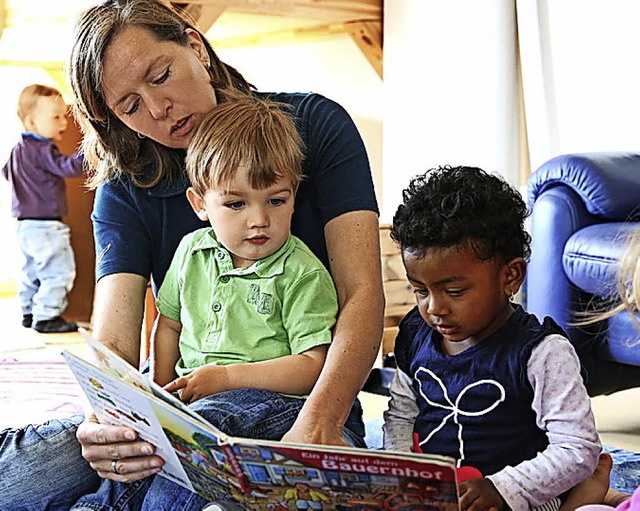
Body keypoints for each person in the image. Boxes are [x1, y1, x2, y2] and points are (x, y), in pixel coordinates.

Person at [0, 1, 384, 510]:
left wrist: (322, 420)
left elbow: (362, 292)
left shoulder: (315, 125)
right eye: (130, 107)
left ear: (195, 47)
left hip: (304, 400)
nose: (158, 108)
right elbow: (114, 343)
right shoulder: (125, 184)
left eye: (161, 76)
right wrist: (106, 421)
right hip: (179, 402)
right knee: (23, 474)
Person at [73, 94, 341, 509]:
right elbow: (170, 325)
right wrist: (159, 389)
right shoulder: (190, 253)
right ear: (200, 203)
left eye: (276, 200)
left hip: (273, 401)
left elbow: (311, 368)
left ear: (294, 195)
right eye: (235, 204)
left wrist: (225, 379)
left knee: (199, 432)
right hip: (196, 393)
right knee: (143, 438)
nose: (259, 220)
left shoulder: (301, 272)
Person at [382, 166, 601, 511]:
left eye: (454, 291)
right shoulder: (415, 332)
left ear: (510, 276)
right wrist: (403, 473)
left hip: (515, 498)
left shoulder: (541, 352)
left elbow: (578, 448)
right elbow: (400, 415)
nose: (435, 308)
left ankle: (585, 497)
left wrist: (501, 488)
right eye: (420, 290)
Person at [1, 83, 84, 333]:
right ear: (31, 123)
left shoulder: (18, 150)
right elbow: (70, 168)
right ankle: (47, 315)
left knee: (32, 271)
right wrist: (89, 149)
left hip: (25, 226)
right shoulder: (44, 149)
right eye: (56, 117)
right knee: (59, 270)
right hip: (47, 224)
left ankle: (28, 310)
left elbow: (6, 173)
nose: (64, 122)